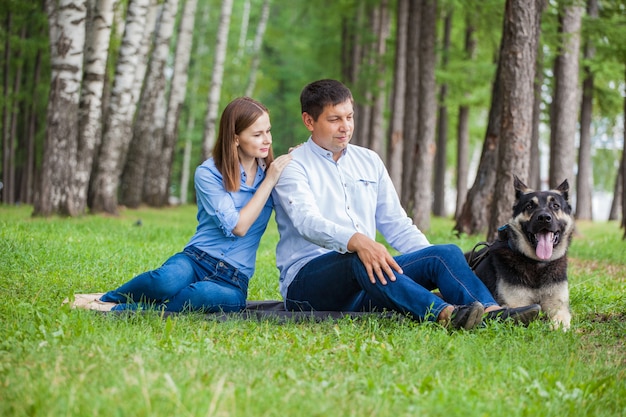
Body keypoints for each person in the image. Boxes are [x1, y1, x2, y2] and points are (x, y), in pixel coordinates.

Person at [272, 79, 541, 330]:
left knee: (443, 253)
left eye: (349, 117)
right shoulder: (294, 166)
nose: (345, 126)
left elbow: (396, 223)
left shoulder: (369, 161)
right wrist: (357, 240)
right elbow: (307, 221)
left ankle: (491, 314)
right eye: (334, 119)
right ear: (309, 121)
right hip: (308, 287)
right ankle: (445, 314)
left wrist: (428, 265)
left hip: (365, 283)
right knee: (359, 256)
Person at [72, 97, 291, 313]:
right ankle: (107, 299)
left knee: (198, 295)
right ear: (235, 138)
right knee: (163, 282)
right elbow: (238, 226)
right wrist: (269, 181)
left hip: (234, 280)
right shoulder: (209, 173)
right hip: (197, 259)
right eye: (257, 134)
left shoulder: (273, 172)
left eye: (268, 131)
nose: (267, 140)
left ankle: (125, 310)